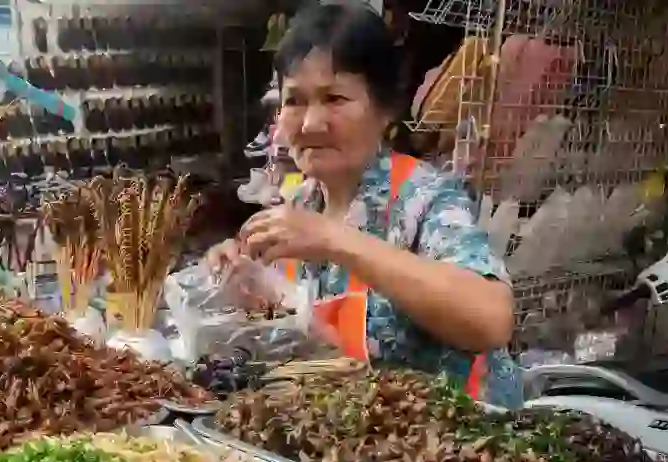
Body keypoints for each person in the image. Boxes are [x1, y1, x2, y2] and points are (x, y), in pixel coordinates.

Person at [206, 3, 521, 408]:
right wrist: (240, 277)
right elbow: (285, 320)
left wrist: (335, 239)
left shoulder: (424, 197)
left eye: (334, 98)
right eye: (295, 100)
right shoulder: (300, 201)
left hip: (454, 449)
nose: (310, 123)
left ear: (385, 110)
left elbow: (491, 319)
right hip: (344, 441)